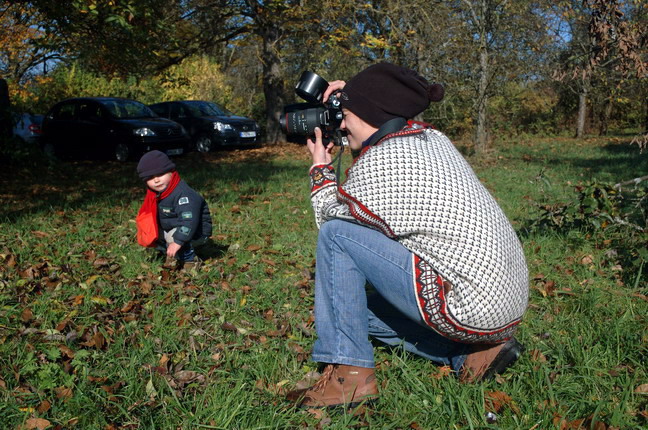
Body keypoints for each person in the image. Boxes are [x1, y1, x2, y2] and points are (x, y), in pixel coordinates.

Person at [286, 62, 529, 409]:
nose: (339, 123)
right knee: (355, 309)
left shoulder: (382, 163)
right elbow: (381, 111)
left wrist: (321, 170)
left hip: (468, 306)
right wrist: (350, 96)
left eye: (344, 114)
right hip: (505, 306)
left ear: (365, 112)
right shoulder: (431, 139)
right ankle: (472, 356)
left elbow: (330, 220)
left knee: (338, 236)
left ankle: (348, 379)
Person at [135, 150, 212, 269]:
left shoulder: (183, 194)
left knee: (174, 237)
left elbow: (189, 221)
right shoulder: (157, 193)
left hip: (197, 231)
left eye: (160, 174)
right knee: (151, 232)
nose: (156, 180)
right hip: (174, 227)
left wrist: (177, 242)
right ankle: (171, 253)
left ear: (171, 172)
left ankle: (191, 261)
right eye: (150, 178)